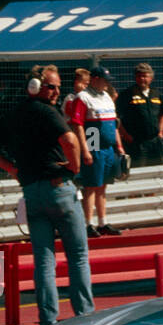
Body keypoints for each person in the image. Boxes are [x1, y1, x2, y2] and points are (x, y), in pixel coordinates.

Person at [0, 65, 92, 325]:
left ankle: (47, 319)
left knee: (43, 259)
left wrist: (12, 169)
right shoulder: (48, 112)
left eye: (57, 87)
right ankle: (85, 316)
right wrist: (74, 167)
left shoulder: (14, 113)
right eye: (51, 86)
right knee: (77, 255)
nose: (56, 92)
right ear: (35, 87)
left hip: (31, 192)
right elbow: (71, 141)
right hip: (58, 188)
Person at [69, 67, 124, 237]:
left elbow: (114, 123)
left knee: (103, 185)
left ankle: (102, 222)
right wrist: (85, 150)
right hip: (94, 141)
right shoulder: (83, 97)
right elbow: (77, 124)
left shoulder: (107, 96)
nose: (108, 83)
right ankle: (87, 223)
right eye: (104, 79)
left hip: (108, 146)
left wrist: (119, 145)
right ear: (94, 79)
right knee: (91, 184)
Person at [116, 63, 163, 168]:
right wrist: (125, 135)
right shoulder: (127, 94)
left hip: (154, 142)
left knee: (157, 171)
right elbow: (116, 117)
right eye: (139, 76)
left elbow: (162, 113)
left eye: (145, 76)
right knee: (138, 171)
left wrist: (160, 132)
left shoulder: (157, 94)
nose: (142, 79)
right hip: (136, 142)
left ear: (151, 78)